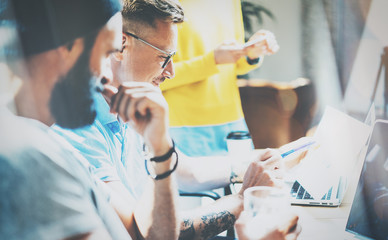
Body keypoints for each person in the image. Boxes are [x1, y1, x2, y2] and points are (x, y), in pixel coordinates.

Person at [53, 0, 300, 239]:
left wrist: (262, 163)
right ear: (120, 44)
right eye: (164, 57)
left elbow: (188, 171)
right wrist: (244, 198)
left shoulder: (127, 102)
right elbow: (146, 234)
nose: (171, 72)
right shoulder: (79, 130)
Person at [0, 0, 180, 239]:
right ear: (67, 46)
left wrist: (160, 147)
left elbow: (146, 234)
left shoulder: (55, 149)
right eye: (107, 53)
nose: (107, 75)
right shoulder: (29, 157)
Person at [160, 0, 280, 157]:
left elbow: (233, 65)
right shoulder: (156, 3)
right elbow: (151, 75)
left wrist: (251, 53)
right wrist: (211, 60)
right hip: (180, 127)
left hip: (232, 123)